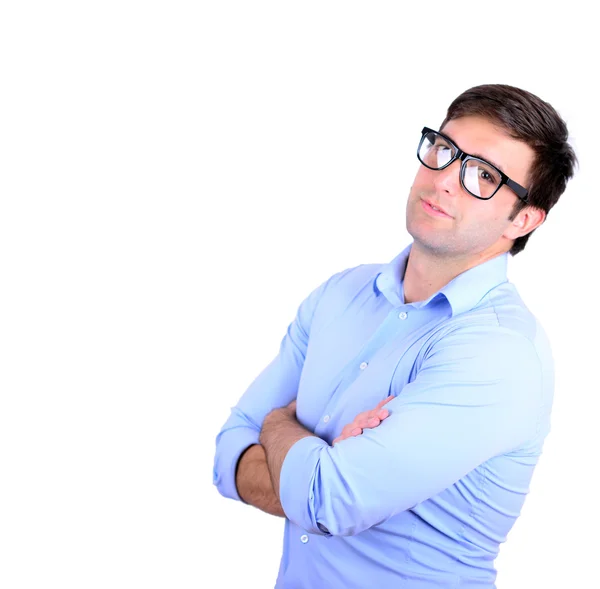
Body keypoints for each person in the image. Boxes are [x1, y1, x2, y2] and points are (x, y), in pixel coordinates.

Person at [212, 84, 577, 588]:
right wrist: (320, 470)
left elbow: (328, 501)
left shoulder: (499, 352)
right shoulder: (341, 293)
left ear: (524, 219)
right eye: (445, 151)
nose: (446, 179)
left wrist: (279, 428)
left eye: (484, 176)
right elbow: (229, 454)